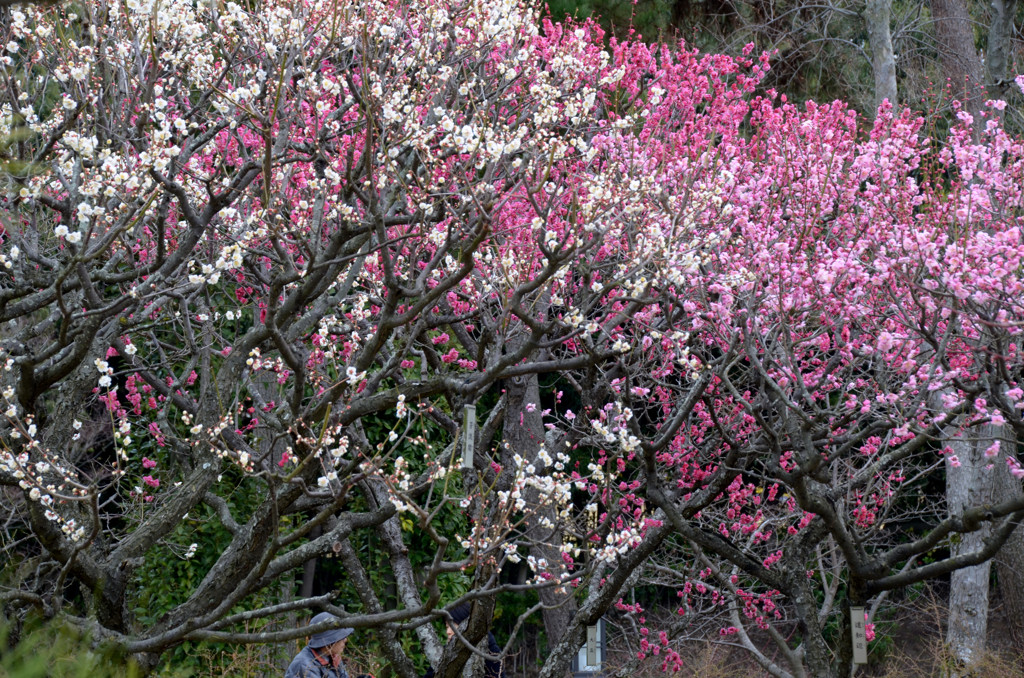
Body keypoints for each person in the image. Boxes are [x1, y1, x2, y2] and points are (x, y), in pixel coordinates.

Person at [423, 603, 504, 678]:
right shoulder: (445, 652)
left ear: (466, 626)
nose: (448, 632)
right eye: (447, 627)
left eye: (453, 626)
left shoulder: (491, 653)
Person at [286, 612, 373, 678]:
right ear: (329, 641)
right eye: (341, 637)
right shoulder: (305, 665)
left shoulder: (332, 656)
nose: (345, 640)